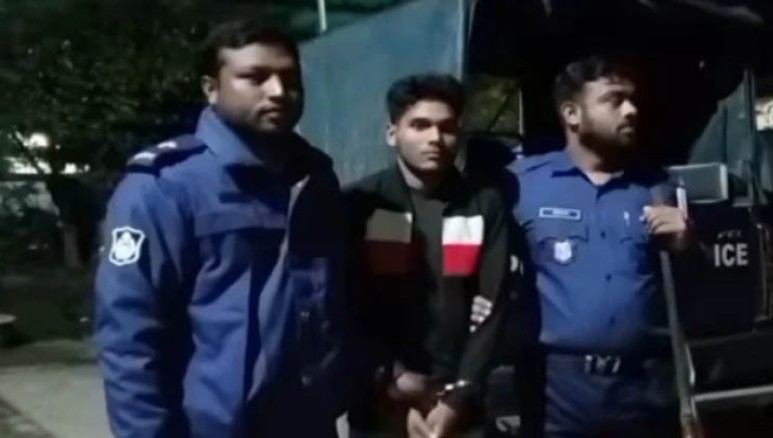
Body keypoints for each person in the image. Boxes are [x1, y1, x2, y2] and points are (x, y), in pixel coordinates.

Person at [94, 20, 351, 438]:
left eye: (290, 79)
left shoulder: (316, 180)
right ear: (211, 88)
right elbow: (129, 340)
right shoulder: (163, 189)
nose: (278, 91)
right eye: (255, 77)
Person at [508, 56, 693, 437]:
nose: (631, 110)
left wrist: (687, 244)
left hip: (644, 387)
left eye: (632, 99)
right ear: (572, 114)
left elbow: (690, 292)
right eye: (614, 100)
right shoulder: (520, 186)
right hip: (556, 391)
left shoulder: (658, 186)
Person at [344, 74, 511, 438]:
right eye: (419, 126)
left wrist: (461, 393)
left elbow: (493, 301)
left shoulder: (484, 204)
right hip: (382, 400)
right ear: (393, 133)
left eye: (447, 127)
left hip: (461, 405)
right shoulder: (362, 203)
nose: (435, 138)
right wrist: (395, 380)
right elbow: (349, 305)